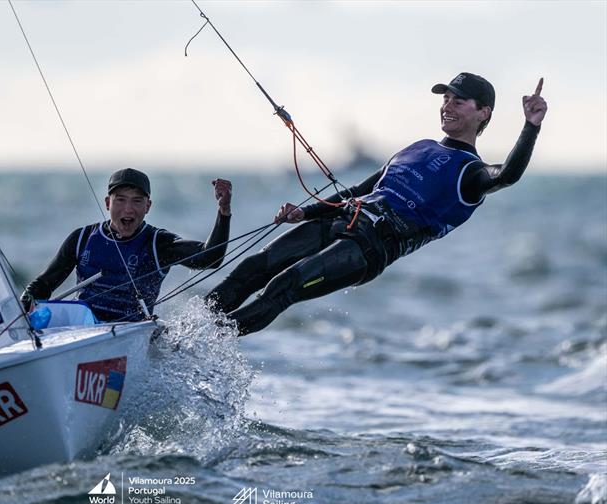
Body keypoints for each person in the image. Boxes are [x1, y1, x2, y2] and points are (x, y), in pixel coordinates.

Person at [207, 73, 548, 335]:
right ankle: (182, 331)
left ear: (483, 113)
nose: (447, 105)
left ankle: (204, 343)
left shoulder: (472, 173)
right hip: (342, 219)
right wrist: (304, 212)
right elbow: (361, 188)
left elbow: (507, 175)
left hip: (368, 249)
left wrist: (530, 126)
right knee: (255, 267)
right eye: (446, 98)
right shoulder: (418, 146)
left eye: (459, 101)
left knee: (284, 286)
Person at [22, 168, 232, 322]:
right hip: (84, 331)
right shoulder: (82, 238)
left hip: (129, 334)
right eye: (120, 200)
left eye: (137, 201)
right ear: (107, 203)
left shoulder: (158, 244)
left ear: (148, 206)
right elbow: (44, 285)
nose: (128, 209)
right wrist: (25, 303)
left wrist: (223, 212)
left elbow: (210, 258)